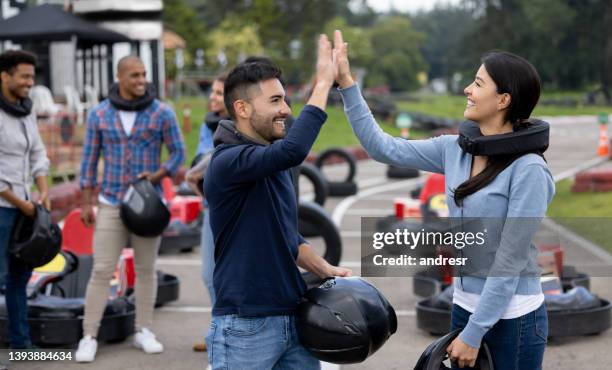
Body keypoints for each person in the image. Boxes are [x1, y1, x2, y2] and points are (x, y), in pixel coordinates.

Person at [332, 30, 554, 370]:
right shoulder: (454, 149)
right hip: (463, 307)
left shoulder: (529, 171)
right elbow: (383, 147)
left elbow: (508, 262)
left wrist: (475, 332)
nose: (468, 88)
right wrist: (347, 84)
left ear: (504, 100)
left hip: (513, 320)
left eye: (478, 83)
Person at [203, 35, 352, 369]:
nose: (286, 109)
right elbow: (294, 149)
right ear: (242, 108)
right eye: (275, 100)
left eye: (285, 99)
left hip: (293, 316)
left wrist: (324, 269)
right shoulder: (229, 162)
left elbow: (287, 236)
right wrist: (325, 82)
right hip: (245, 325)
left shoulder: (273, 159)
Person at [76, 55, 186, 362]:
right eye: (135, 76)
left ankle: (144, 330)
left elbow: (178, 152)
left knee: (146, 269)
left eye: (144, 75)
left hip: (147, 205)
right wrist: (86, 201)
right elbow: (88, 160)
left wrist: (158, 175)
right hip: (111, 201)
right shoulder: (99, 113)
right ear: (120, 77)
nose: (141, 81)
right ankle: (89, 335)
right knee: (101, 269)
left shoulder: (162, 112)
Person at [0, 50, 51, 351]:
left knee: (20, 277)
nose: (30, 82)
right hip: (5, 209)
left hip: (27, 206)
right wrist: (22, 203)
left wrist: (42, 191)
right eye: (24, 76)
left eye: (32, 76)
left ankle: (21, 345)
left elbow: (38, 153)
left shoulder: (25, 110)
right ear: (5, 76)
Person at [187, 75, 229, 353]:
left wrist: (199, 169)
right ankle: (219, 329)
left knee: (231, 276)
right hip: (211, 207)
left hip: (236, 212)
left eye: (218, 93)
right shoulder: (207, 124)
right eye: (212, 92)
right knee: (208, 274)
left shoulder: (241, 128)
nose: (212, 97)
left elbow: (216, 159)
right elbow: (205, 155)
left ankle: (227, 333)